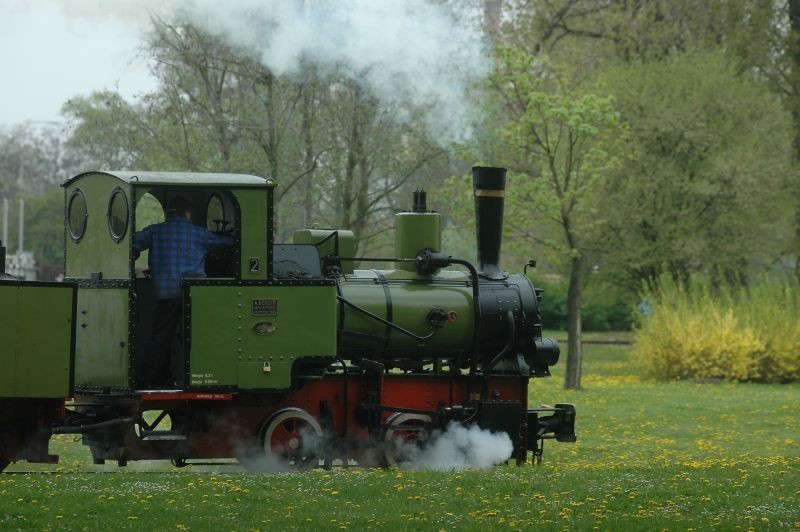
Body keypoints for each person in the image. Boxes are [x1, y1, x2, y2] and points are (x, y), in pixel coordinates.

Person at [132, 195, 233, 388]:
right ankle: (199, 376)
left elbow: (133, 243)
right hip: (196, 295)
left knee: (161, 336)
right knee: (199, 335)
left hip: (166, 292)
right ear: (188, 213)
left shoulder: (155, 231)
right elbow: (227, 244)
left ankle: (151, 378)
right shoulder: (199, 233)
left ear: (170, 213)